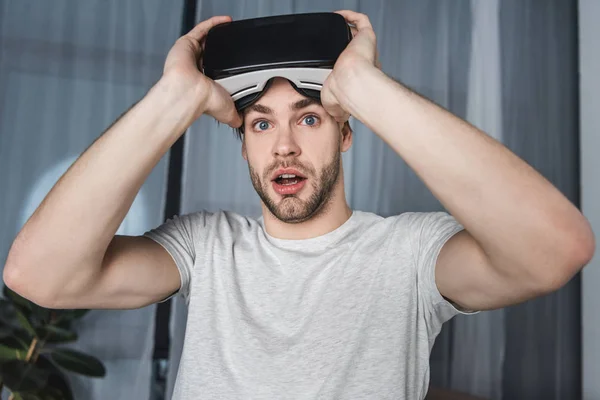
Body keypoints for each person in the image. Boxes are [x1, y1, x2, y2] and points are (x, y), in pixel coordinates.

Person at [3, 10, 595, 400]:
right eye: (260, 124)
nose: (283, 144)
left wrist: (364, 88)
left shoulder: (409, 255)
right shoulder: (204, 248)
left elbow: (555, 250)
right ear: (243, 147)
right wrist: (174, 97)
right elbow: (38, 276)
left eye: (308, 119)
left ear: (347, 133)